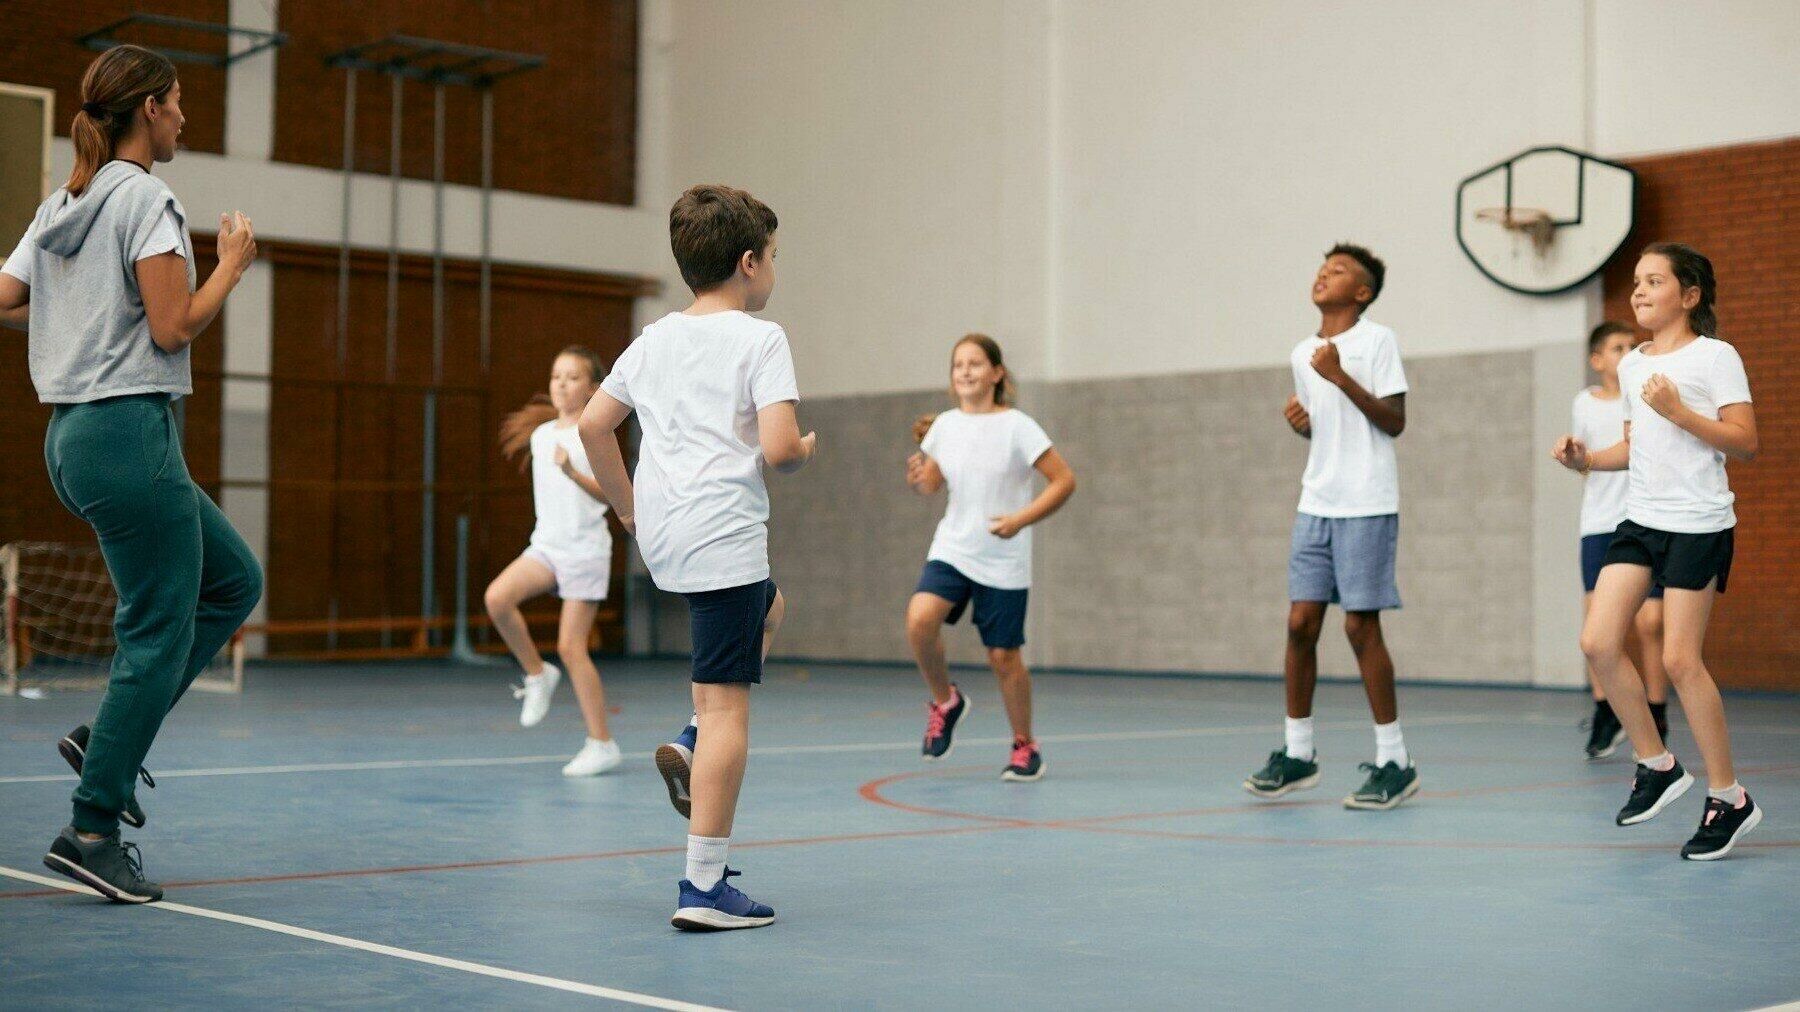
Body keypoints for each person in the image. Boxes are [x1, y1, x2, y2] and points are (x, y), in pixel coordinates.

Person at [0, 44, 263, 903]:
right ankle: (90, 827)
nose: (185, 118)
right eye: (179, 104)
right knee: (154, 629)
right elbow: (171, 328)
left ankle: (111, 736)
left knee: (232, 581)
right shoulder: (147, 197)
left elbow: (6, 299)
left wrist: (70, 320)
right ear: (148, 108)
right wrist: (229, 266)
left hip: (74, 438)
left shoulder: (62, 202)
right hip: (127, 434)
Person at [579, 184, 814, 929]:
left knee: (770, 609)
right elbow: (780, 450)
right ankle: (704, 888)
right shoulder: (760, 337)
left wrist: (626, 506)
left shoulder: (652, 340)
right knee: (727, 707)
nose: (774, 270)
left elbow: (593, 426)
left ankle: (689, 735)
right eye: (773, 256)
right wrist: (802, 448)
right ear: (749, 263)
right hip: (723, 536)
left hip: (669, 537)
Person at [1553, 242, 1762, 860]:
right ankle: (1658, 764)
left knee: (1678, 660)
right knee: (1597, 643)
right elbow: (1632, 445)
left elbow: (1746, 442)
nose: (1639, 292)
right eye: (1636, 283)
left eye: (1653, 282)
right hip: (1639, 519)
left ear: (1689, 296)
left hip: (1697, 524)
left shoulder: (1715, 356)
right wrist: (1587, 460)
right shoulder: (1636, 364)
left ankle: (1730, 797)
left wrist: (1681, 412)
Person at [1243, 243, 1418, 810]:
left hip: (1367, 502)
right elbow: (1328, 432)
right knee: (1300, 622)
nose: (1325, 274)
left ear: (1362, 293)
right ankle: (1298, 755)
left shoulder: (1377, 341)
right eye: (1322, 267)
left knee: (1360, 628)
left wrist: (1341, 378)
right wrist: (1302, 426)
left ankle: (1396, 760)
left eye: (1339, 271)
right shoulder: (1303, 352)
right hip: (1316, 501)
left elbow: (1394, 421)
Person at [904, 334, 1075, 780]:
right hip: (954, 547)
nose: (964, 371)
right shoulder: (944, 425)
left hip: (1003, 557)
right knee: (920, 620)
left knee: (1003, 657)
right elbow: (932, 486)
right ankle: (946, 701)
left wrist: (1020, 519)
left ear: (997, 373)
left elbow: (1063, 481)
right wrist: (920, 476)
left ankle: (1024, 745)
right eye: (958, 363)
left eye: (975, 363)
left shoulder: (1019, 426)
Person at [487, 345, 622, 776]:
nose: (561, 384)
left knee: (571, 647)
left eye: (573, 377)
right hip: (547, 546)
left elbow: (615, 495)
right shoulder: (542, 435)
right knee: (497, 599)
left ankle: (602, 743)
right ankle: (536, 674)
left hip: (585, 550)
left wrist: (572, 473)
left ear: (593, 387)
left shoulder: (595, 433)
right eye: (556, 376)